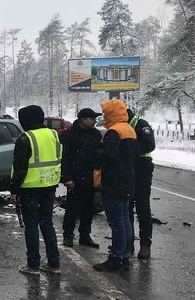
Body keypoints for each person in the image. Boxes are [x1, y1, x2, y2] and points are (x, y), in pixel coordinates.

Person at [10, 105, 62, 276]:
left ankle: (33, 265)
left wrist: (14, 191)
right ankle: (54, 263)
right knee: (47, 223)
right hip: (50, 185)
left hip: (30, 188)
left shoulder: (25, 139)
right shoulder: (53, 134)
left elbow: (20, 169)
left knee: (31, 225)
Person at [93, 99, 137, 272]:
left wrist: (96, 152)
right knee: (125, 219)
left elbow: (109, 156)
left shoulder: (114, 132)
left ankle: (116, 257)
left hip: (114, 181)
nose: (104, 117)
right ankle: (125, 255)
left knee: (116, 221)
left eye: (106, 114)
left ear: (112, 114)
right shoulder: (129, 129)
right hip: (127, 179)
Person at [60, 108, 103, 248]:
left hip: (90, 177)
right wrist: (67, 177)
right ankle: (68, 235)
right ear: (82, 119)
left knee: (88, 208)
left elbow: (99, 154)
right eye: (92, 118)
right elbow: (64, 158)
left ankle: (85, 235)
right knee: (72, 208)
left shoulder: (96, 134)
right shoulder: (69, 134)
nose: (95, 121)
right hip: (75, 177)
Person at [127, 109, 156, 259]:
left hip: (142, 168)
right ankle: (128, 242)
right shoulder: (123, 125)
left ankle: (145, 244)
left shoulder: (141, 125)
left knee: (142, 207)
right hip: (128, 169)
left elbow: (149, 145)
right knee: (127, 207)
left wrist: (127, 146)